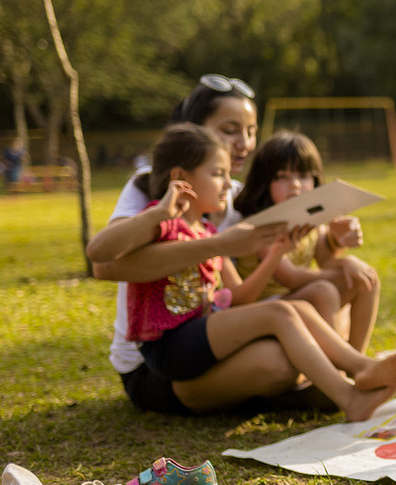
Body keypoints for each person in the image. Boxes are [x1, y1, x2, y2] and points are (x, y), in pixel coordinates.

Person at [104, 123, 396, 421]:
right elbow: (100, 256)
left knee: (297, 308)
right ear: (181, 177)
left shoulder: (210, 232)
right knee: (281, 311)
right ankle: (349, 395)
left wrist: (309, 248)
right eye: (218, 173)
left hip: (197, 333)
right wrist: (161, 213)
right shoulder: (163, 221)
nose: (228, 183)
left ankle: (358, 368)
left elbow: (236, 295)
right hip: (167, 349)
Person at [88, 74, 305, 415]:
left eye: (250, 131)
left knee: (325, 296)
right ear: (194, 131)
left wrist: (334, 238)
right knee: (277, 363)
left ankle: (324, 381)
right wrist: (217, 244)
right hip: (159, 361)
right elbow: (105, 265)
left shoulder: (232, 193)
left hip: (214, 331)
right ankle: (268, 389)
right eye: (230, 130)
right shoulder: (152, 189)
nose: (245, 143)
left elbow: (246, 286)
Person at [232, 130, 381, 352]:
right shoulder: (261, 226)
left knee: (367, 279)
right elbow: (291, 277)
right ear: (264, 181)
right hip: (265, 308)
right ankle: (336, 368)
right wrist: (343, 271)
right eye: (282, 177)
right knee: (323, 290)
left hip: (297, 301)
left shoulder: (310, 220)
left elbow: (326, 261)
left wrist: (346, 262)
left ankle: (356, 361)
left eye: (303, 176)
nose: (295, 185)